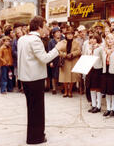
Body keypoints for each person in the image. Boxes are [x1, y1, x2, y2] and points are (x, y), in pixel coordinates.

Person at [17, 16, 66, 144]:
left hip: (26, 78)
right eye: (45, 26)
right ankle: (36, 137)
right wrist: (57, 48)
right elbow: (44, 58)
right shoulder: (35, 40)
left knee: (31, 109)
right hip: (34, 79)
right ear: (39, 27)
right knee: (37, 110)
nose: (47, 29)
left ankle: (33, 136)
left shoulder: (23, 38)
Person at [59, 27, 81, 98]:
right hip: (65, 61)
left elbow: (79, 51)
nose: (69, 35)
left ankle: (70, 91)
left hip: (73, 61)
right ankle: (65, 91)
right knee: (65, 77)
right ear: (65, 35)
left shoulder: (76, 42)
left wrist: (72, 54)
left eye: (71, 34)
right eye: (68, 34)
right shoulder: (62, 42)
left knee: (72, 77)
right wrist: (65, 55)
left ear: (73, 35)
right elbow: (59, 51)